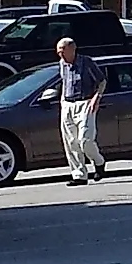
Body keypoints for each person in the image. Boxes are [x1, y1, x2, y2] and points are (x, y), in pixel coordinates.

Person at [56, 36, 106, 185]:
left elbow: (102, 81)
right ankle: (79, 175)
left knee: (85, 140)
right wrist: (62, 102)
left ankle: (98, 161)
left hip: (85, 103)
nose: (60, 55)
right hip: (68, 104)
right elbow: (64, 82)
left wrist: (97, 98)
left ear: (72, 49)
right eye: (59, 52)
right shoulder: (62, 64)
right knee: (71, 142)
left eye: (62, 51)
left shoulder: (86, 62)